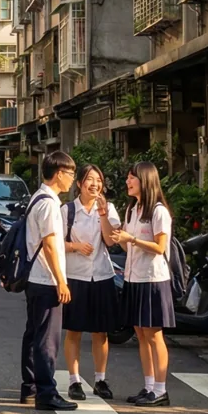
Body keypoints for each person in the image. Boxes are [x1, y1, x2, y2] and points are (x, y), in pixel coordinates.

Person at [20, 151, 78, 412]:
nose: (72, 180)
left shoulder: (38, 198)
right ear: (59, 174)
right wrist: (61, 281)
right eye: (71, 174)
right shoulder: (50, 204)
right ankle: (46, 392)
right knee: (47, 339)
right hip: (46, 280)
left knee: (33, 334)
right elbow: (52, 246)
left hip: (36, 279)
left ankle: (31, 388)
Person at [115, 161, 176, 407]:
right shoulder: (132, 209)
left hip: (153, 278)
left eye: (133, 178)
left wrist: (132, 239)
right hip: (133, 277)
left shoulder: (158, 211)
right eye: (128, 177)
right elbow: (127, 245)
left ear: (146, 181)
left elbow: (160, 247)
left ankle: (160, 390)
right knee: (140, 333)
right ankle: (149, 386)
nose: (128, 182)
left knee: (153, 334)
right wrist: (122, 238)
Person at [62, 164, 123, 401]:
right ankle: (74, 381)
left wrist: (103, 214)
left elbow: (110, 240)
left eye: (98, 179)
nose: (94, 184)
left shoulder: (108, 209)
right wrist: (75, 246)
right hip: (75, 276)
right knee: (74, 330)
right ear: (79, 184)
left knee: (101, 332)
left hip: (102, 275)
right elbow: (55, 243)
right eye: (89, 179)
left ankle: (100, 379)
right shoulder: (66, 211)